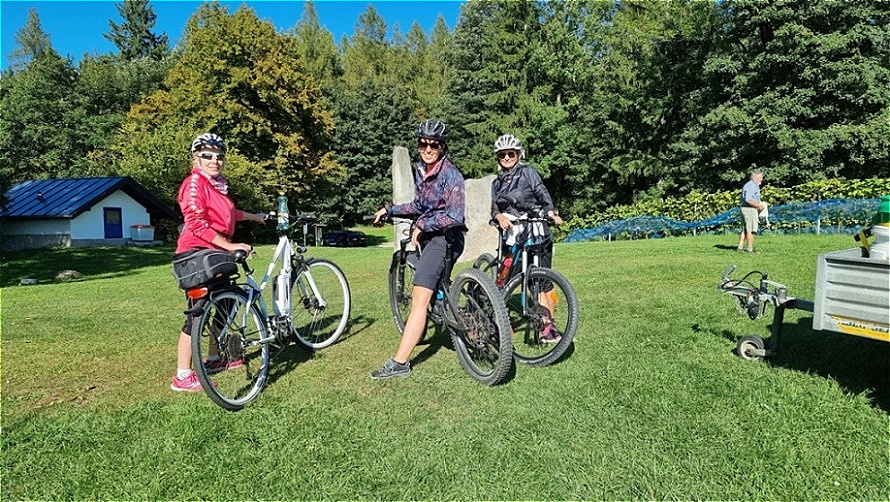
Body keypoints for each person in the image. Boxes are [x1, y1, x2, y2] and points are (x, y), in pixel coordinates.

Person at [370, 119, 466, 379]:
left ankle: (400, 363)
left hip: (445, 239)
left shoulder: (450, 174)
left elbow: (455, 216)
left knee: (418, 299)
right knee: (435, 289)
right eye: (423, 143)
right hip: (430, 237)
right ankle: (448, 313)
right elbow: (419, 205)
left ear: (442, 146)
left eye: (433, 144)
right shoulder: (421, 171)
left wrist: (424, 223)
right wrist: (389, 210)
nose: (427, 149)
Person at [171, 132, 266, 392]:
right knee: (196, 314)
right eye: (208, 156)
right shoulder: (194, 183)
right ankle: (182, 375)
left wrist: (254, 217)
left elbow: (229, 213)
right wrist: (231, 245)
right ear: (196, 158)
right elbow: (195, 222)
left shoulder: (218, 186)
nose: (215, 160)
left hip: (214, 257)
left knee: (225, 306)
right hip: (195, 256)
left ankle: (215, 358)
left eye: (219, 156)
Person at [489, 133, 564, 343]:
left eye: (510, 154)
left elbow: (542, 194)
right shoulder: (496, 183)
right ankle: (501, 321)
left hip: (536, 231)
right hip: (513, 235)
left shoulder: (528, 172)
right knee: (503, 280)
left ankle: (548, 325)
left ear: (518, 154)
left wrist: (550, 213)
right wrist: (499, 216)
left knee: (540, 281)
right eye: (502, 155)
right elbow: (494, 208)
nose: (506, 158)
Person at [737, 171, 765, 253]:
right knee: (751, 230)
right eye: (760, 177)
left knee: (744, 229)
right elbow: (748, 199)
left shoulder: (749, 185)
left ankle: (740, 247)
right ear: (755, 177)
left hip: (744, 208)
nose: (762, 179)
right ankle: (749, 249)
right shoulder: (752, 185)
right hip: (749, 209)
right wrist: (758, 206)